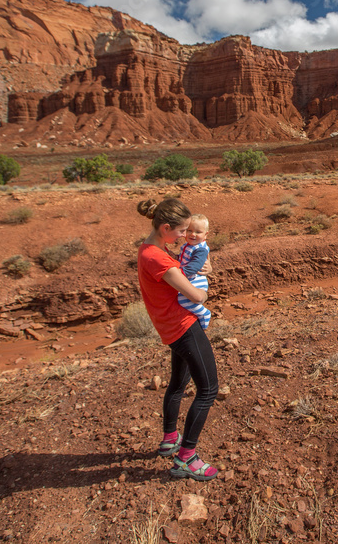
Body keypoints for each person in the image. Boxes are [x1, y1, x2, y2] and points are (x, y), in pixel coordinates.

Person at [136, 198, 219, 481]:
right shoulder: (157, 257)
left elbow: (187, 270)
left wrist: (203, 268)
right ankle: (186, 458)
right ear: (166, 227)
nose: (185, 236)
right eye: (181, 231)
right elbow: (195, 295)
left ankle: (170, 438)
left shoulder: (150, 248)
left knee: (178, 383)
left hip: (170, 327)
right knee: (208, 389)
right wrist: (204, 292)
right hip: (183, 326)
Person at [177, 214, 212, 330]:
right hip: (189, 279)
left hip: (196, 281)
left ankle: (203, 313)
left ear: (205, 235)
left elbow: (194, 266)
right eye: (189, 230)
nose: (193, 234)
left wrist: (178, 275)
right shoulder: (189, 246)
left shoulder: (200, 249)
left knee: (182, 299)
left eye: (198, 232)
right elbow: (184, 259)